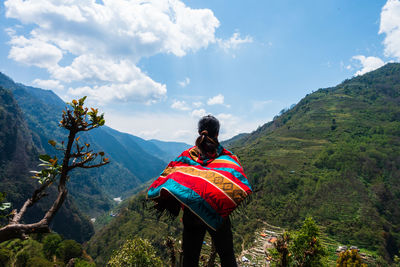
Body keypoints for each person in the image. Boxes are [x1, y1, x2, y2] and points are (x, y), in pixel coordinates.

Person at [147, 115, 252, 267]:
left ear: (198, 132)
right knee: (227, 255)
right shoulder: (228, 158)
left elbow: (171, 175)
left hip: (192, 212)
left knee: (190, 259)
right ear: (217, 133)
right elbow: (237, 180)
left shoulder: (186, 156)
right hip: (217, 212)